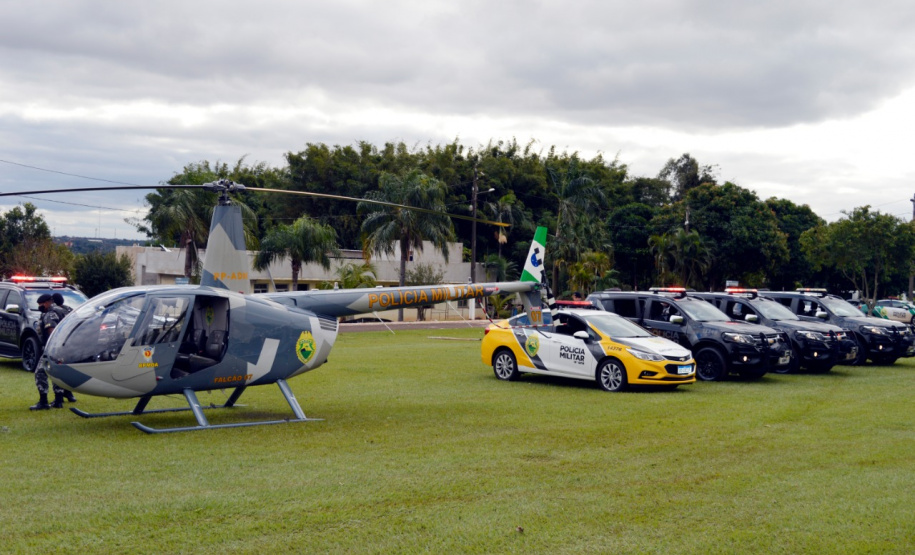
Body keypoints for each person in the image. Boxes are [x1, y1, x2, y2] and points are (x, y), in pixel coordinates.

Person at [29, 294, 69, 410]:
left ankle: (43, 402)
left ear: (47, 303)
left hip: (53, 349)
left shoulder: (50, 314)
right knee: (57, 373)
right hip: (65, 348)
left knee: (40, 372)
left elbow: (52, 332)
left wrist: (52, 348)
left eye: (41, 304)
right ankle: (58, 400)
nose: (40, 307)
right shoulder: (63, 310)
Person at [50, 293, 77, 403]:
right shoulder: (69, 309)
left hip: (59, 343)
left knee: (55, 369)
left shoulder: (53, 311)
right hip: (71, 343)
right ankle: (69, 393)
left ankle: (59, 398)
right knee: (66, 369)